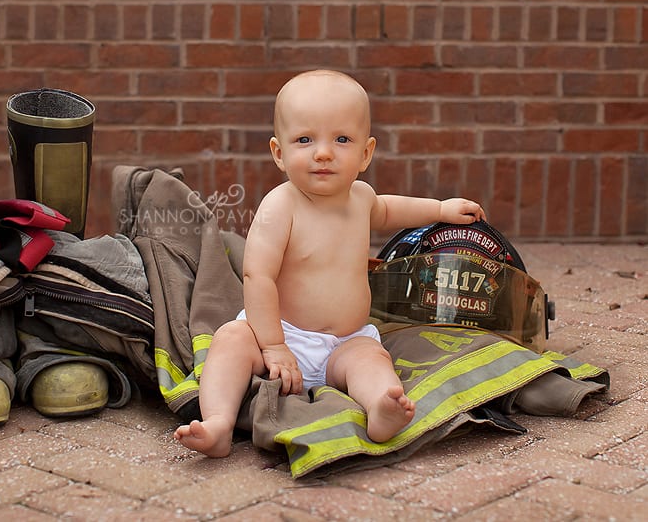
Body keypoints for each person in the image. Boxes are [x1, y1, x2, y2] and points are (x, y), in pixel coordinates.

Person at [174, 69, 487, 457]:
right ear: (279, 153)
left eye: (341, 139)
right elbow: (258, 275)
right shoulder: (280, 206)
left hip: (346, 340)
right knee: (230, 340)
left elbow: (391, 209)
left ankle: (380, 409)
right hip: (282, 333)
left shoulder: (361, 198)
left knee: (372, 360)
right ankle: (217, 423)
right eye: (305, 139)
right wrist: (272, 346)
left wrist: (440, 208)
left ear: (366, 153)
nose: (323, 153)